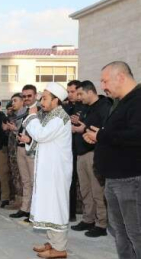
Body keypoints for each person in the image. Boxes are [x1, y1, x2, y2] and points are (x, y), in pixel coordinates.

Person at [84, 61, 141, 259]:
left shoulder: (138, 100)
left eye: (105, 81)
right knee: (120, 234)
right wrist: (97, 136)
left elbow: (136, 136)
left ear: (121, 77)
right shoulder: (121, 102)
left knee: (136, 234)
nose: (103, 86)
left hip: (130, 180)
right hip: (114, 180)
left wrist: (101, 136)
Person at [20, 82, 72, 258]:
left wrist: (31, 117)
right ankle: (53, 243)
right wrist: (29, 140)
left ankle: (60, 249)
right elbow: (43, 139)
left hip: (56, 172)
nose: (42, 101)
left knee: (55, 207)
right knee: (49, 206)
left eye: (45, 98)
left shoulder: (59, 117)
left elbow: (41, 134)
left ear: (56, 100)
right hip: (49, 170)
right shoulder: (52, 116)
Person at [70, 80, 111, 237]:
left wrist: (83, 128)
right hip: (81, 153)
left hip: (94, 153)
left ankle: (101, 224)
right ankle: (88, 219)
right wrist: (78, 125)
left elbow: (104, 129)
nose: (78, 97)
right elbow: (84, 125)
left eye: (80, 94)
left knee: (97, 191)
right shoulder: (85, 108)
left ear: (90, 92)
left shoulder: (104, 106)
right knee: (85, 190)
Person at [10, 85, 39, 220]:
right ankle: (25, 208)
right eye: (24, 96)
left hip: (33, 149)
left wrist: (30, 139)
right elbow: (22, 128)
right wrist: (16, 131)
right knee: (25, 181)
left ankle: (34, 211)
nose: (26, 98)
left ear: (35, 95)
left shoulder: (40, 110)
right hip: (21, 147)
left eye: (29, 96)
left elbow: (42, 132)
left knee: (35, 182)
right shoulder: (23, 111)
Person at [63, 80, 86, 222]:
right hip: (68, 149)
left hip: (84, 149)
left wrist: (81, 120)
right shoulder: (67, 107)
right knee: (69, 181)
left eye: (73, 92)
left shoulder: (85, 106)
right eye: (68, 92)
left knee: (85, 185)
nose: (70, 95)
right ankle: (70, 212)